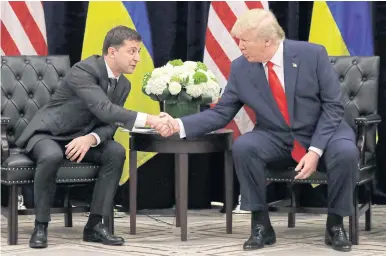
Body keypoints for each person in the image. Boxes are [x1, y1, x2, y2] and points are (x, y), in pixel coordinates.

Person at [157, 9, 358, 253]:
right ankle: (261, 225)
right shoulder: (241, 68)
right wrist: (179, 124)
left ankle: (335, 224)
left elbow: (333, 107)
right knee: (245, 146)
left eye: (244, 40)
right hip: (277, 136)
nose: (239, 46)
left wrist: (315, 150)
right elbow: (222, 113)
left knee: (346, 152)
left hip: (325, 131)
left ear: (267, 41)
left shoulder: (312, 55)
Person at [15, 25, 172, 249]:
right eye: (132, 51)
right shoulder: (84, 70)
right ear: (112, 52)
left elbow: (110, 124)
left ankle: (95, 225)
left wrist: (91, 139)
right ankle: (41, 225)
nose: (137, 58)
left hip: (82, 137)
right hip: (50, 133)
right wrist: (152, 119)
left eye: (138, 51)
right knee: (50, 156)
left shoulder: (123, 85)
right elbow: (104, 109)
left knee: (115, 151)